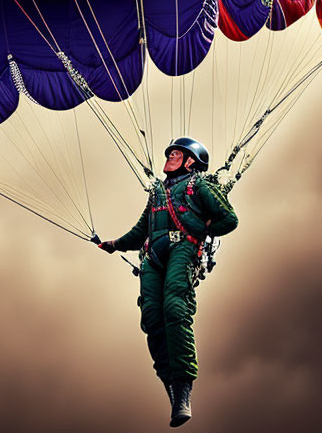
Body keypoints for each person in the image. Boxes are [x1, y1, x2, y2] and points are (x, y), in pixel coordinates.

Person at [97, 137, 238, 427]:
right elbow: (140, 232)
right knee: (151, 316)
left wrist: (204, 228)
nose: (171, 156)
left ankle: (184, 386)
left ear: (190, 162)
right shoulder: (157, 192)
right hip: (152, 256)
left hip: (184, 248)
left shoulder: (198, 186)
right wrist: (114, 244)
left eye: (177, 153)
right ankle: (171, 390)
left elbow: (229, 219)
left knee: (174, 306)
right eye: (171, 152)